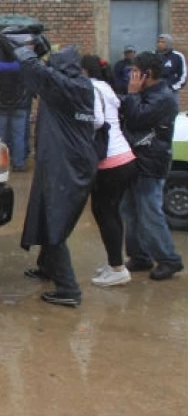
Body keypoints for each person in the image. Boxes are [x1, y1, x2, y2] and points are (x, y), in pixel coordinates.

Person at [10, 33, 97, 307]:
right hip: (61, 162)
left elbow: (43, 75)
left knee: (55, 222)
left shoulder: (74, 88)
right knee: (46, 213)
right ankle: (48, 267)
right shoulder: (71, 86)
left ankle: (69, 289)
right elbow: (42, 77)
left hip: (68, 165)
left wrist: (24, 51)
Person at [119, 52, 184, 280]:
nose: (131, 76)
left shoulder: (164, 98)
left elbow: (136, 118)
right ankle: (139, 256)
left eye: (135, 72)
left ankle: (169, 259)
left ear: (147, 74)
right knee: (129, 210)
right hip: (134, 160)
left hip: (151, 163)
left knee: (149, 212)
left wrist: (132, 95)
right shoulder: (146, 94)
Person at [81, 55, 137, 287]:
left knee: (105, 213)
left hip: (110, 161)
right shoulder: (105, 86)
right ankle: (115, 261)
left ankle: (118, 269)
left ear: (84, 71)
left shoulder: (91, 88)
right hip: (123, 157)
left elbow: (96, 121)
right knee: (110, 213)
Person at [0, 42, 31, 172]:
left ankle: (1, 164)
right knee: (19, 136)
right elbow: (27, 84)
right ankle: (18, 163)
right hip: (20, 105)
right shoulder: (22, 65)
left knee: (1, 137)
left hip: (0, 106)